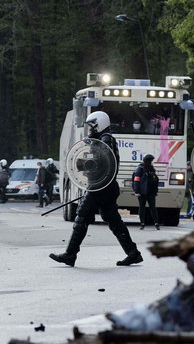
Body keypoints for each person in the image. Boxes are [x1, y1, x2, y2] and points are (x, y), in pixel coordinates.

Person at [50, 111, 142, 267]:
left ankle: (70, 254)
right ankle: (133, 253)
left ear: (100, 124)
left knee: (82, 216)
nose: (91, 129)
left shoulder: (105, 139)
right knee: (113, 221)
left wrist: (84, 165)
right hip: (105, 186)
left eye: (93, 126)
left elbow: (102, 163)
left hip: (101, 186)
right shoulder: (102, 139)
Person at [133, 153, 160, 230]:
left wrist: (156, 191)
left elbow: (155, 180)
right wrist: (136, 191)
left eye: (151, 160)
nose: (151, 162)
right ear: (146, 160)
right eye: (150, 160)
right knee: (142, 208)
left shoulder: (152, 169)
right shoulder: (140, 169)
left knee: (153, 208)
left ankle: (156, 223)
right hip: (142, 192)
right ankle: (142, 223)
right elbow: (136, 180)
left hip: (151, 192)